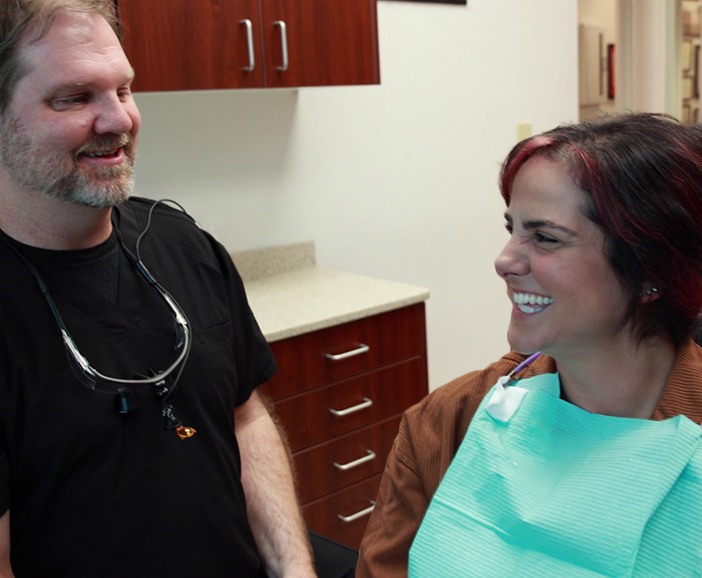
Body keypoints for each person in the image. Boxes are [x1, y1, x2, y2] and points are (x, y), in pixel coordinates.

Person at [0, 1, 320, 576]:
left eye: (123, 90)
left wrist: (294, 567)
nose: (118, 120)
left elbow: (244, 418)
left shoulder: (183, 244)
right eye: (74, 98)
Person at [357, 112, 702, 577]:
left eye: (545, 237)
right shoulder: (445, 423)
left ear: (651, 271)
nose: (504, 261)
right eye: (512, 229)